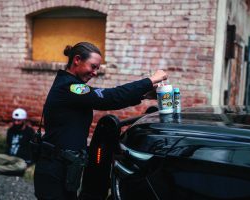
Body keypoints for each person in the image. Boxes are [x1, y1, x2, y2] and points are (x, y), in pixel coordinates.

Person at [33, 42, 168, 200]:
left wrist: (144, 95)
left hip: (66, 168)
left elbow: (108, 98)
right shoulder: (69, 87)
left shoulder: (72, 87)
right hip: (54, 172)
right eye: (93, 66)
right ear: (77, 60)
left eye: (97, 68)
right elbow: (109, 97)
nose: (95, 72)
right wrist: (150, 80)